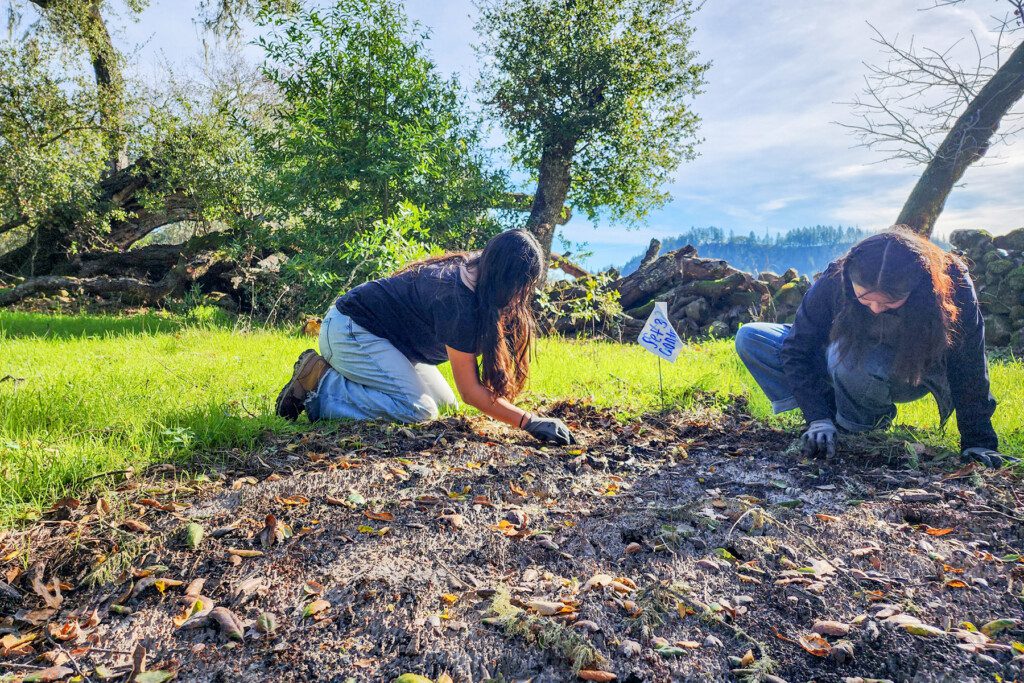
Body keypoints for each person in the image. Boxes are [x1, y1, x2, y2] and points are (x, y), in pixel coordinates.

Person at [735, 226, 1013, 466]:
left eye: (890, 301)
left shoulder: (952, 283)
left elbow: (969, 364)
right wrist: (817, 417)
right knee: (751, 338)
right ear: (849, 280)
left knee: (848, 359)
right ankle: (828, 416)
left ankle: (861, 427)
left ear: (917, 288)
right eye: (865, 299)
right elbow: (798, 347)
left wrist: (978, 441)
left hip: (909, 371)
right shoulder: (836, 277)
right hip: (842, 359)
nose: (877, 309)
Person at [274, 229, 575, 445]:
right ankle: (320, 384)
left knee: (445, 408)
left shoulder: (478, 270)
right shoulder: (457, 301)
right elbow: (471, 392)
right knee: (417, 410)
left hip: (387, 342)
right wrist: (529, 422)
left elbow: (466, 395)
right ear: (506, 278)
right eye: (523, 285)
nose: (523, 295)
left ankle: (349, 381)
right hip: (350, 330)